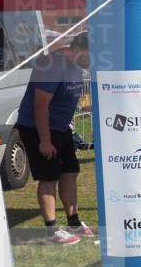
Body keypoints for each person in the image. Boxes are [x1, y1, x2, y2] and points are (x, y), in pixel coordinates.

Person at [15, 33, 93, 245]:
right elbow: (40, 106)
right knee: (49, 176)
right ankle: (52, 231)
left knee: (70, 171)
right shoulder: (52, 65)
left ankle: (73, 222)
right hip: (38, 127)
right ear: (80, 49)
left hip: (60, 127)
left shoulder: (77, 64)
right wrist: (45, 141)